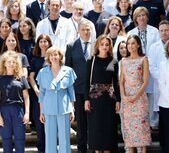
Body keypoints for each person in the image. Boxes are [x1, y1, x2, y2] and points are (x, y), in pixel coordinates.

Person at [36, 47, 76, 153]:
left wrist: (72, 109)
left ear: (60, 56)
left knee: (65, 138)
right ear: (48, 57)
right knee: (50, 138)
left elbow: (71, 92)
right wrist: (41, 112)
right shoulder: (42, 72)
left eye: (56, 55)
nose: (54, 57)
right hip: (48, 108)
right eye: (51, 55)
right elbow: (42, 94)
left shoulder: (68, 70)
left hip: (64, 108)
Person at [85, 35, 120, 152]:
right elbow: (86, 81)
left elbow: (116, 82)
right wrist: (86, 99)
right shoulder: (91, 60)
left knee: (108, 129)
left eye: (107, 44)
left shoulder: (114, 61)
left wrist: (118, 100)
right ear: (98, 46)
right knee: (96, 128)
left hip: (109, 100)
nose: (104, 47)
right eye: (102, 44)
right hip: (95, 99)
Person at [65, 20, 94, 153]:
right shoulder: (71, 46)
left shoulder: (96, 45)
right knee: (81, 123)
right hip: (78, 90)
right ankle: (82, 149)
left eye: (88, 29)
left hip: (94, 90)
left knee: (94, 121)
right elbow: (68, 69)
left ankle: (94, 147)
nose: (86, 32)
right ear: (78, 31)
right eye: (83, 30)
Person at [128, 7, 159, 129]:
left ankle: (152, 122)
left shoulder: (155, 31)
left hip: (151, 66)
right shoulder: (131, 33)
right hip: (137, 67)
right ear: (135, 18)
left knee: (151, 94)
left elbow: (156, 49)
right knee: (139, 94)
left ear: (147, 17)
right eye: (139, 16)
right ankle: (140, 121)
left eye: (143, 15)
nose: (141, 18)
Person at [119, 35, 151, 153]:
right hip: (127, 100)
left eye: (133, 43)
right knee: (130, 132)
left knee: (141, 130)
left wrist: (135, 97)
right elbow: (121, 82)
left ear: (138, 45)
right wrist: (124, 97)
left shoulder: (143, 59)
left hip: (140, 98)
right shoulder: (124, 61)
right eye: (129, 44)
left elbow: (146, 81)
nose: (130, 46)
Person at [0, 50, 30, 153]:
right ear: (4, 63)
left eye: (13, 62)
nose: (11, 64)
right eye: (9, 62)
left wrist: (27, 113)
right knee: (6, 139)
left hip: (18, 111)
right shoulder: (0, 78)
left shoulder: (21, 78)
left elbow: (26, 97)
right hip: (4, 111)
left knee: (20, 139)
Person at [29, 34, 53, 153]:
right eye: (41, 41)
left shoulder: (53, 58)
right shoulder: (34, 59)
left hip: (52, 96)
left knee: (51, 125)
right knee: (40, 124)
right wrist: (37, 91)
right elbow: (31, 77)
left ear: (49, 43)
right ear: (38, 44)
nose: (43, 43)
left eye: (45, 41)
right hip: (38, 96)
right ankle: (41, 149)